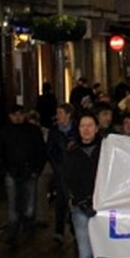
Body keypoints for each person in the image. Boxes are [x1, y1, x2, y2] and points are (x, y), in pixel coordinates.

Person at [64, 113, 112, 258]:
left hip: (103, 206)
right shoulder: (72, 153)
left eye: (90, 125)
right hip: (80, 208)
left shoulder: (107, 150)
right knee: (85, 254)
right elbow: (67, 180)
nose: (86, 129)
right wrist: (78, 199)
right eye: (82, 126)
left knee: (105, 251)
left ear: (96, 128)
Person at [0, 105, 46, 245]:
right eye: (14, 114)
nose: (17, 117)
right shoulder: (5, 131)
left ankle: (28, 226)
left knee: (29, 202)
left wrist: (36, 169)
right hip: (12, 171)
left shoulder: (33, 131)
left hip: (29, 170)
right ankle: (14, 229)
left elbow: (41, 151)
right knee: (13, 203)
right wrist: (4, 170)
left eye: (20, 114)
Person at [46, 102, 76, 243]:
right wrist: (56, 164)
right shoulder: (54, 131)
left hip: (74, 171)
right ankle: (59, 230)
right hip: (60, 170)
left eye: (60, 113)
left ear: (68, 115)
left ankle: (73, 226)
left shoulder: (76, 129)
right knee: (62, 200)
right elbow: (50, 150)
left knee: (72, 198)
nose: (57, 116)